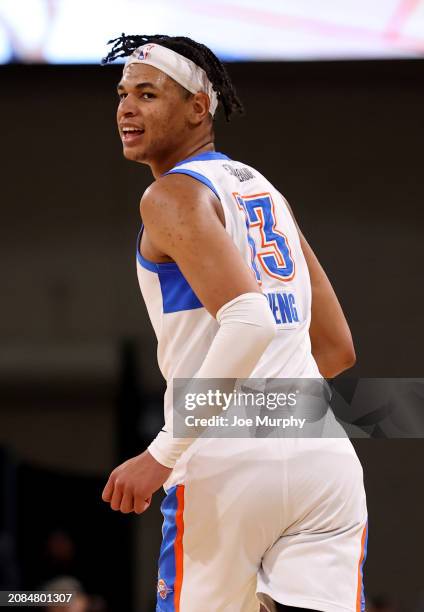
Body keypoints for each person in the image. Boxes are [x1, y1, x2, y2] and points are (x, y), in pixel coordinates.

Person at [101, 34, 367, 612]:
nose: (126, 107)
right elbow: (337, 348)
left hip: (226, 463)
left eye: (147, 94)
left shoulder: (170, 195)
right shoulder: (266, 192)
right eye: (123, 94)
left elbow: (248, 322)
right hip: (323, 456)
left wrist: (162, 454)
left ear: (200, 107)